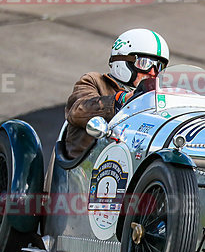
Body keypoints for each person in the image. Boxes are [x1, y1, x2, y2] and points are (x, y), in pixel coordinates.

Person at [64, 28, 170, 158]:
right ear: (123, 60)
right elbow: (77, 111)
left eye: (159, 66)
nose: (153, 72)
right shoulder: (94, 81)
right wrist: (123, 99)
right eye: (145, 63)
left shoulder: (155, 98)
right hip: (87, 166)